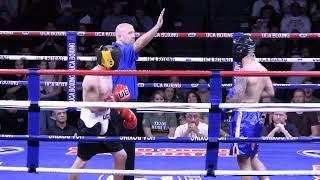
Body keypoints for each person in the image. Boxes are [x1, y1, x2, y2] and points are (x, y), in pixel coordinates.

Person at [110, 9, 165, 180]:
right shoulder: (120, 51)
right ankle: (123, 176)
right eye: (130, 33)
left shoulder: (120, 52)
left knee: (127, 145)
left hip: (124, 103)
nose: (134, 35)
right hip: (121, 105)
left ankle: (127, 176)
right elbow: (141, 43)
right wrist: (156, 27)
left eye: (134, 32)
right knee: (122, 146)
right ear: (120, 36)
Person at [69, 46, 137, 180]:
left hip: (105, 120)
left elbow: (107, 96)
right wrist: (115, 100)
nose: (118, 61)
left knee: (121, 156)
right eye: (116, 59)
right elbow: (93, 107)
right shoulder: (92, 78)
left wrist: (115, 101)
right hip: (90, 125)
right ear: (109, 60)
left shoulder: (108, 73)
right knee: (82, 161)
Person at [228, 34, 275, 180]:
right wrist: (255, 95)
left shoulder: (243, 72)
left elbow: (236, 98)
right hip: (256, 114)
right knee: (253, 157)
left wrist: (224, 104)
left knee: (243, 161)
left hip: (243, 117)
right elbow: (270, 92)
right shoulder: (262, 68)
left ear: (240, 50)